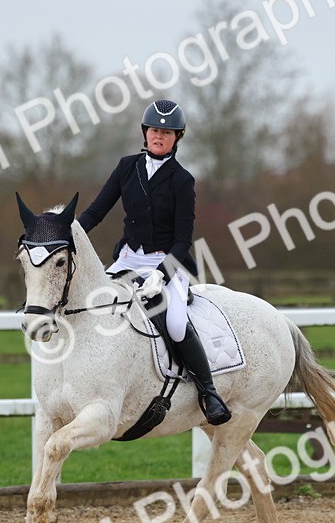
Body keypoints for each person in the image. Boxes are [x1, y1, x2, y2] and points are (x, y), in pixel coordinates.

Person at [77, 100, 231, 425]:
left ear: (177, 137)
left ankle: (208, 391)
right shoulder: (126, 167)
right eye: (154, 130)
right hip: (127, 259)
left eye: (166, 132)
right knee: (99, 308)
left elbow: (182, 239)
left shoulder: (182, 180)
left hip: (168, 261)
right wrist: (68, 231)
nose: (159, 136)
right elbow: (96, 211)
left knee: (175, 323)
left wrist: (161, 275)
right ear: (145, 133)